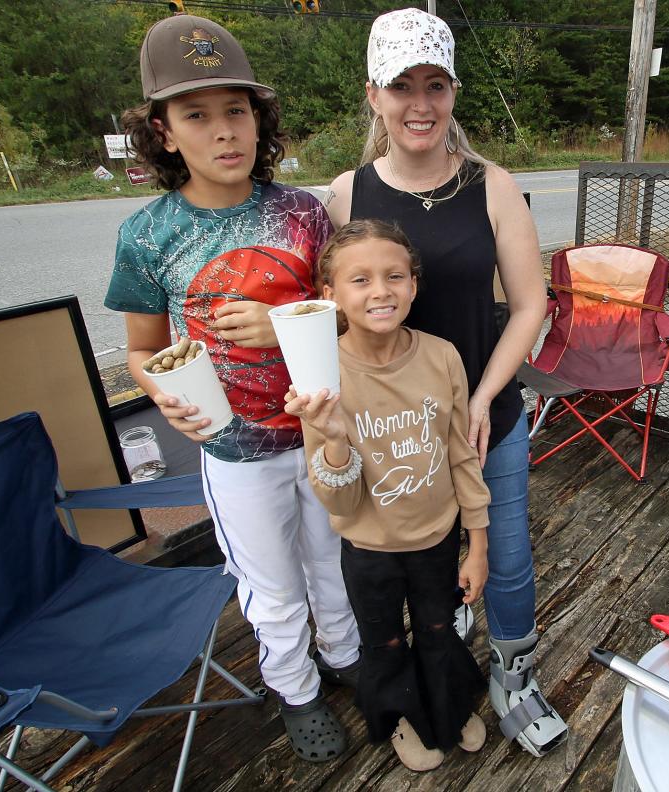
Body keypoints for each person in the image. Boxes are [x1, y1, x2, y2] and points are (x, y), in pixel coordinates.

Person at [104, 13, 360, 763]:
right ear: (162, 130)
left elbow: (345, 317)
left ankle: (344, 655)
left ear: (260, 118)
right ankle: (296, 687)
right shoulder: (148, 235)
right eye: (196, 115)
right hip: (236, 448)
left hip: (320, 430)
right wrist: (164, 397)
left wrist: (285, 321)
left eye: (236, 110)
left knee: (332, 556)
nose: (224, 132)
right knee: (271, 583)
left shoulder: (303, 213)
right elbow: (144, 349)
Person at [324, 7, 568, 757]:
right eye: (403, 86)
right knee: (414, 556)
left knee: (508, 552)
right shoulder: (346, 194)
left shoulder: (492, 186)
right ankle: (430, 667)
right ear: (374, 96)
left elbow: (530, 305)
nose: (420, 104)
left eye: (436, 84)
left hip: (483, 412)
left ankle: (514, 676)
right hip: (391, 427)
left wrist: (487, 397)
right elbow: (332, 312)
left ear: (454, 91)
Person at [286, 219, 489, 771]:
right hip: (369, 549)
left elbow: (460, 454)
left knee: (436, 628)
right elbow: (342, 504)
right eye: (360, 280)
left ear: (414, 285)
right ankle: (401, 712)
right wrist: (331, 441)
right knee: (385, 642)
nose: (380, 290)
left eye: (394, 275)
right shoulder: (321, 379)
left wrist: (477, 543)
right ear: (330, 296)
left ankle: (445, 704)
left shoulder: (441, 356)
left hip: (437, 538)